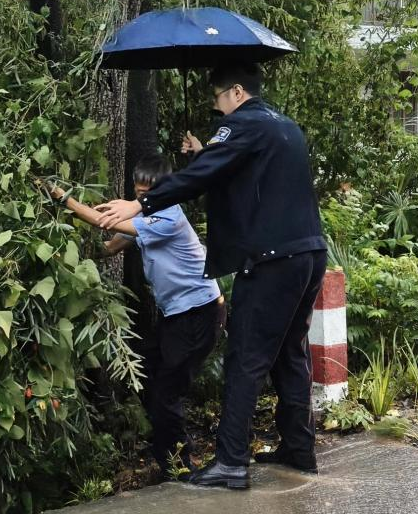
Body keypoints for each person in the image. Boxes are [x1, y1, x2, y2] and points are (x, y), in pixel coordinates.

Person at [95, 61, 327, 490]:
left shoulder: (242, 125)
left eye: (219, 100)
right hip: (309, 254)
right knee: (290, 354)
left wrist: (142, 205)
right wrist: (206, 153)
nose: (219, 110)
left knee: (245, 358)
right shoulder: (283, 125)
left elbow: (201, 178)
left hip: (272, 261)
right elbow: (245, 177)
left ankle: (231, 462)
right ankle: (299, 449)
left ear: (236, 92)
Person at [39, 156, 225, 478]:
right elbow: (110, 246)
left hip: (200, 313)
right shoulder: (148, 213)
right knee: (149, 370)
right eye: (137, 193)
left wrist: (62, 198)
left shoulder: (168, 216)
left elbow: (103, 222)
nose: (141, 200)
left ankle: (180, 466)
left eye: (146, 194)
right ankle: (164, 449)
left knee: (168, 392)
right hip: (177, 315)